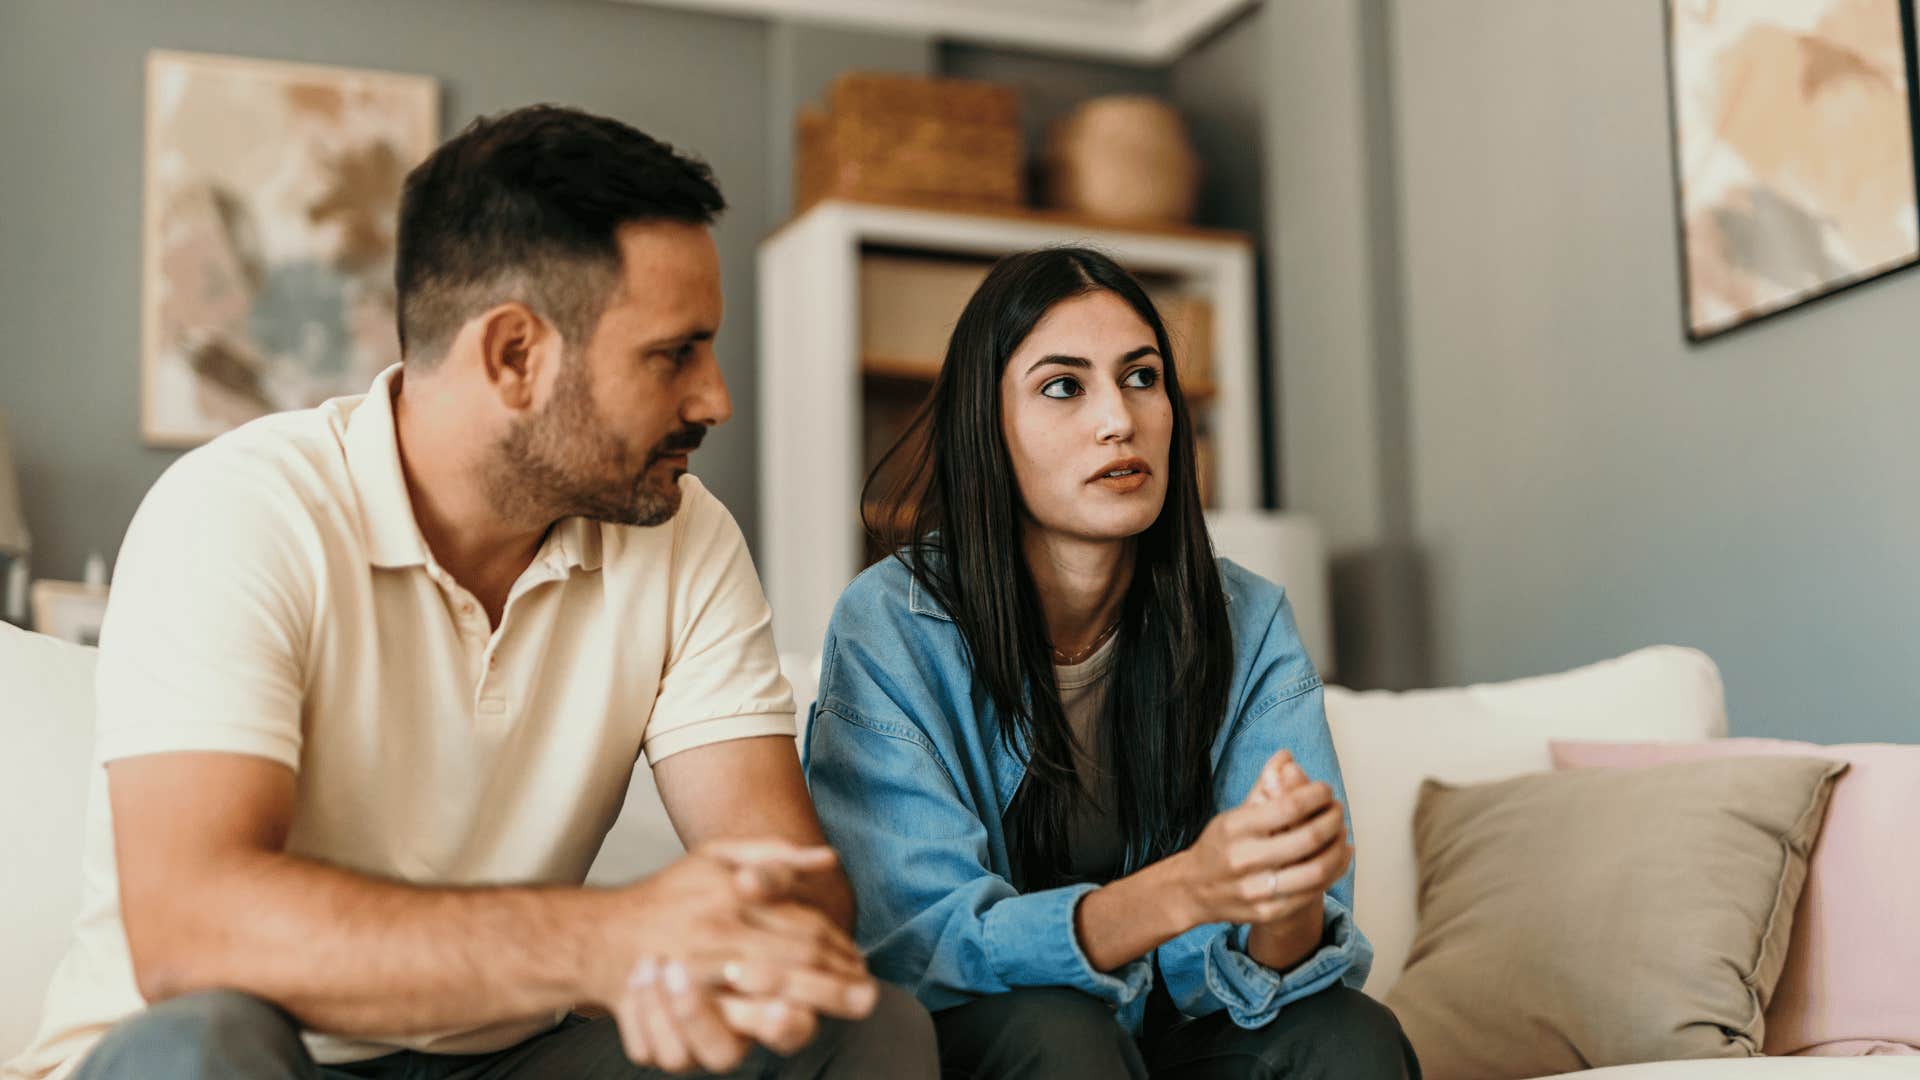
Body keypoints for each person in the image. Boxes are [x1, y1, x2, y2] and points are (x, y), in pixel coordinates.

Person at [4, 105, 936, 1080]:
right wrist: (597, 941)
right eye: (674, 354)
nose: (715, 400)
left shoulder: (682, 536)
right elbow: (192, 932)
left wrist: (708, 952)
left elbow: (791, 891)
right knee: (210, 1045)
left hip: (503, 1059)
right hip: (243, 1051)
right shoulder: (238, 513)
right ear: (514, 356)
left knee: (861, 1028)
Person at [801, 247, 1421, 1078]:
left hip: (1176, 1033)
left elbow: (1279, 972)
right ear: (987, 427)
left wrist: (1285, 889)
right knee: (1059, 1034)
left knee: (1349, 1034)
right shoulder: (890, 624)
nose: (1119, 420)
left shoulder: (1248, 619)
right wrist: (1184, 890)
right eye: (1064, 386)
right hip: (987, 1038)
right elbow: (918, 942)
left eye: (1142, 377)